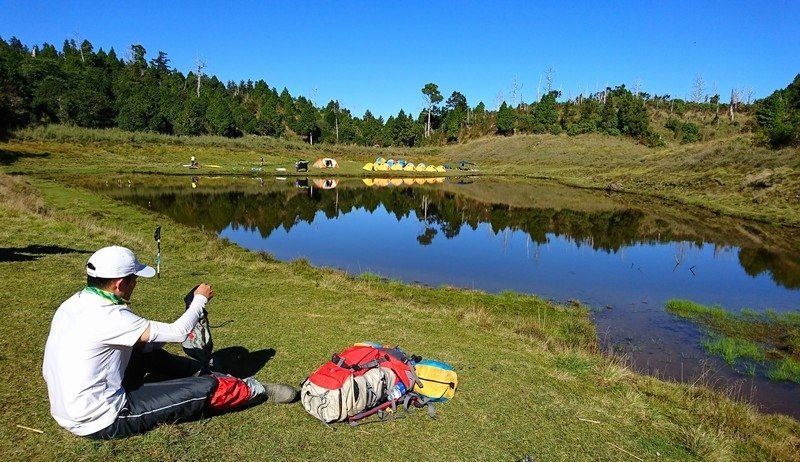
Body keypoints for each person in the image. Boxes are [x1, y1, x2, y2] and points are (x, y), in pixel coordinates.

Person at [42, 245, 297, 439]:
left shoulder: (74, 303)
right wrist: (199, 299)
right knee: (203, 388)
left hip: (71, 407)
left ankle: (214, 373)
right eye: (134, 280)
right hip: (101, 418)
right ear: (120, 283)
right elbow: (178, 333)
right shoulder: (110, 316)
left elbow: (143, 340)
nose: (136, 285)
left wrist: (155, 340)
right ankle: (254, 390)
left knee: (144, 351)